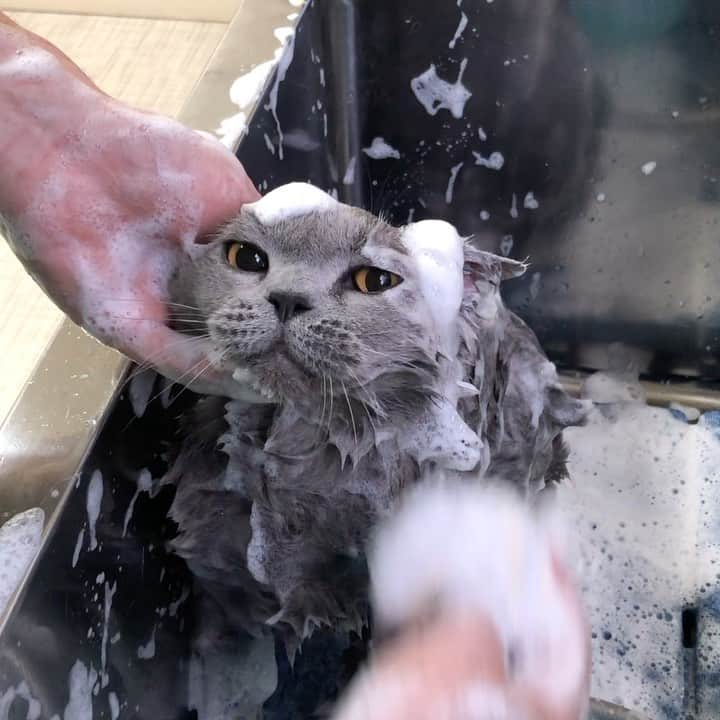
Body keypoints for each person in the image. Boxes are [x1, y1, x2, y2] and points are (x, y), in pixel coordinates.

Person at [0, 13, 590, 718]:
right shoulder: (204, 446)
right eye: (251, 260)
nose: (287, 298)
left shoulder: (466, 443)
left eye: (368, 281)